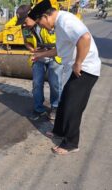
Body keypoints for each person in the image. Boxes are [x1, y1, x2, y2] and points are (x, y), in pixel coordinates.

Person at [29, 0, 101, 154]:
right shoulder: (60, 24)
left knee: (72, 107)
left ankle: (71, 144)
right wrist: (40, 55)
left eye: (40, 24)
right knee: (64, 102)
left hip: (86, 70)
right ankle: (59, 132)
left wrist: (78, 62)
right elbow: (59, 50)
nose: (41, 27)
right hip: (76, 69)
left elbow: (85, 38)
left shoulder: (65, 21)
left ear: (45, 17)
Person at [18, 12, 63, 121]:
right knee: (37, 84)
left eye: (25, 21)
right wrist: (32, 49)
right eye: (22, 22)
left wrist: (47, 49)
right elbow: (26, 42)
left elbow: (59, 42)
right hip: (38, 57)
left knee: (55, 84)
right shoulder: (25, 28)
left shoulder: (46, 23)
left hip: (54, 56)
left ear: (31, 17)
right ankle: (39, 109)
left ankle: (55, 107)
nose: (24, 24)